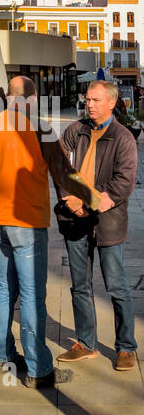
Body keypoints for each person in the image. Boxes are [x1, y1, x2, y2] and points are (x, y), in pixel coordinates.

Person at [0, 75, 100, 389]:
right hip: (27, 223)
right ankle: (39, 368)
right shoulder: (39, 126)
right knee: (32, 297)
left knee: (4, 289)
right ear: (31, 98)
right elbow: (64, 174)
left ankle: (1, 357)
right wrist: (94, 199)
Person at [56, 80, 138, 371]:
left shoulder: (123, 138)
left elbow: (123, 182)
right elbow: (59, 165)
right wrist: (69, 198)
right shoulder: (73, 131)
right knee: (80, 286)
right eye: (87, 99)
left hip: (108, 223)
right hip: (73, 220)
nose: (88, 104)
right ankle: (86, 343)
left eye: (95, 100)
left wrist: (87, 200)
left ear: (112, 103)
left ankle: (126, 348)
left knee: (117, 287)